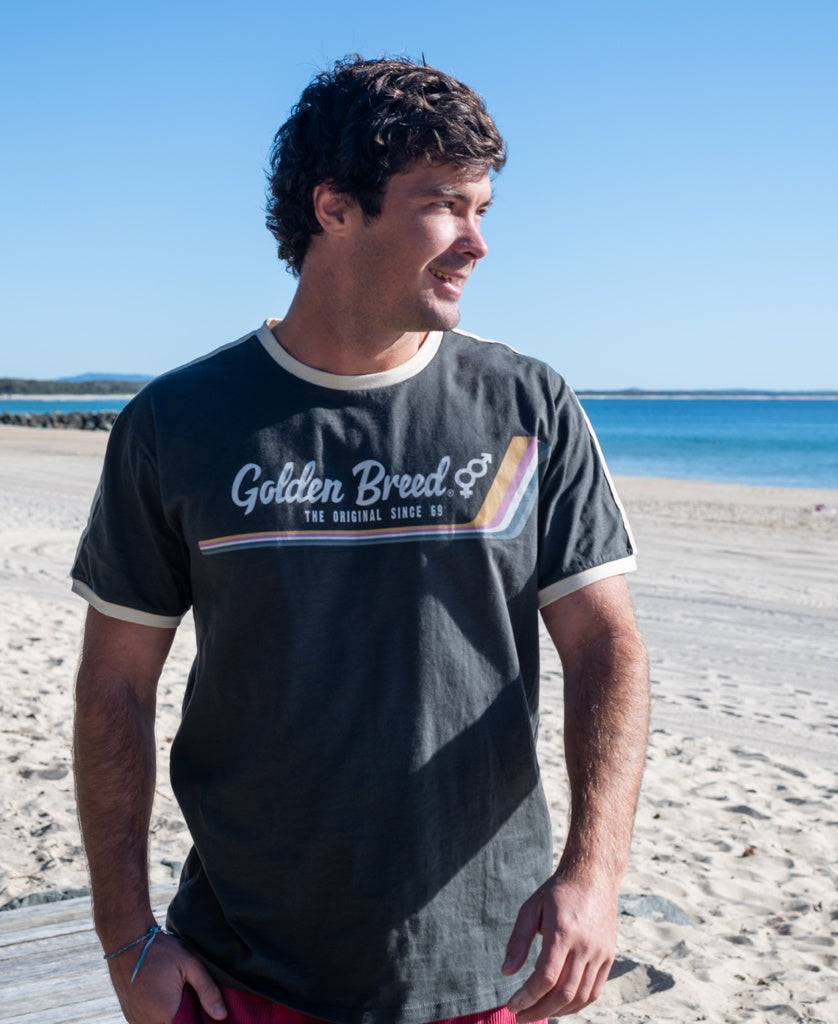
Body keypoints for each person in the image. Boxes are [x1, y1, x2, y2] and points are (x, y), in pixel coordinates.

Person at [72, 55, 649, 1024]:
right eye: (445, 206)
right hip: (243, 975)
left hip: (488, 965)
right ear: (334, 207)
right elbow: (114, 685)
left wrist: (593, 876)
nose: (477, 242)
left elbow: (606, 644)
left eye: (484, 209)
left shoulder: (523, 405)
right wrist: (125, 934)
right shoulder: (181, 423)